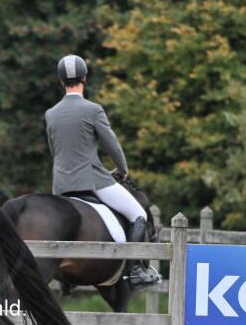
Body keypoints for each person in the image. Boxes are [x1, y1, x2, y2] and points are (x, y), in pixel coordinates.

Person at [45, 54, 160, 288]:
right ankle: (136, 269)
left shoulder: (51, 114)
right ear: (85, 79)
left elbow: (54, 150)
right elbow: (112, 145)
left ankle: (66, 278)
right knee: (138, 214)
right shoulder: (93, 110)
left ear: (60, 81)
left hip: (61, 184)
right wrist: (122, 169)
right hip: (92, 180)